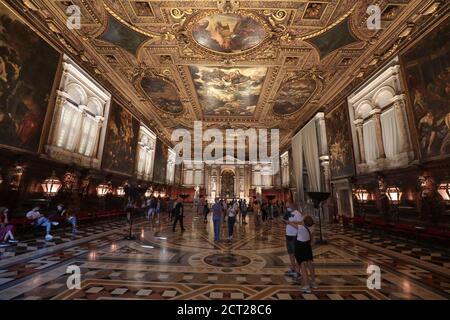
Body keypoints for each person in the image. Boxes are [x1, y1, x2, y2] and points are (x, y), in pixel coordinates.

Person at [289, 215, 317, 293]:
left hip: (300, 247)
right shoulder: (311, 227)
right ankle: (313, 282)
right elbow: (312, 239)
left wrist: (288, 221)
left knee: (302, 265)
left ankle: (306, 286)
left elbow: (291, 223)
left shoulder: (301, 228)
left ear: (304, 222)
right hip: (307, 247)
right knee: (310, 263)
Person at [282, 202, 302, 278]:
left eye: (288, 206)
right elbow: (285, 222)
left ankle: (298, 271)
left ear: (292, 206)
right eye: (287, 206)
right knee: (290, 253)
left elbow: (300, 225)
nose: (287, 207)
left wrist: (290, 222)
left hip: (295, 235)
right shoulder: (288, 213)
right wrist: (284, 221)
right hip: (288, 235)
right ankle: (293, 268)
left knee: (296, 254)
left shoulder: (297, 214)